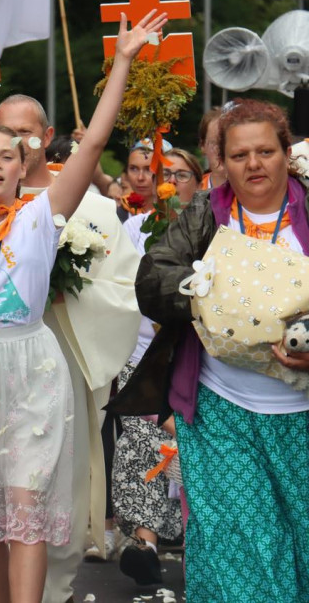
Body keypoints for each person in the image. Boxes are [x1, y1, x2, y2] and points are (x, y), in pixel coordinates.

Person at [0, 11, 163, 603]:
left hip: (32, 368)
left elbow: (93, 141)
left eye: (7, 156)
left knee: (25, 501)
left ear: (25, 166)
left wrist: (121, 60)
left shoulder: (41, 217)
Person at [112, 98, 309, 602]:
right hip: (220, 409)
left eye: (266, 151)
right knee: (243, 546)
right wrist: (201, 289)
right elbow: (152, 279)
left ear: (288, 153)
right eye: (240, 155)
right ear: (221, 160)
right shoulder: (204, 211)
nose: (254, 164)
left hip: (301, 410)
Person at [0, 87, 143, 602]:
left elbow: (124, 287)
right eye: (3, 134)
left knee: (55, 474)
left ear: (46, 137)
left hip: (64, 355)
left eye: (25, 133)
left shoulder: (89, 208)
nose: (16, 144)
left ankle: (51, 586)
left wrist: (69, 290)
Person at [112, 149, 201, 586]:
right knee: (143, 444)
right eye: (157, 174)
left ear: (198, 182)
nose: (166, 182)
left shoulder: (214, 229)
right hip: (142, 359)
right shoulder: (132, 228)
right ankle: (144, 543)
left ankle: (199, 545)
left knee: (187, 452)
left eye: (178, 174)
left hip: (197, 363)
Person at [198, 108, 225, 190]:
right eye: (215, 143)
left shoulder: (258, 191)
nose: (222, 150)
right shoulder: (193, 190)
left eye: (229, 143)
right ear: (202, 146)